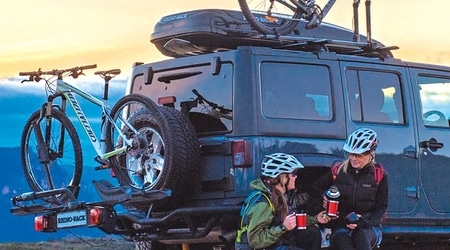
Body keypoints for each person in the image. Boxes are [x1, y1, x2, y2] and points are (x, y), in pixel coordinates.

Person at [310, 128, 388, 250]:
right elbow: (313, 188)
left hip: (368, 227)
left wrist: (363, 222)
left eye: (358, 155)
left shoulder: (379, 174)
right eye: (350, 154)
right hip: (341, 225)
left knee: (360, 235)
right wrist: (324, 196)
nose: (353, 158)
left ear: (371, 155)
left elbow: (381, 207)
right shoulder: (339, 170)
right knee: (344, 242)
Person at [235, 153, 330, 250]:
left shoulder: (281, 196)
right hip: (255, 247)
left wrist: (316, 219)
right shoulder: (263, 203)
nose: (296, 177)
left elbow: (290, 221)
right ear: (282, 177)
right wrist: (283, 227)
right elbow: (256, 241)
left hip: (274, 243)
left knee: (312, 233)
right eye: (293, 174)